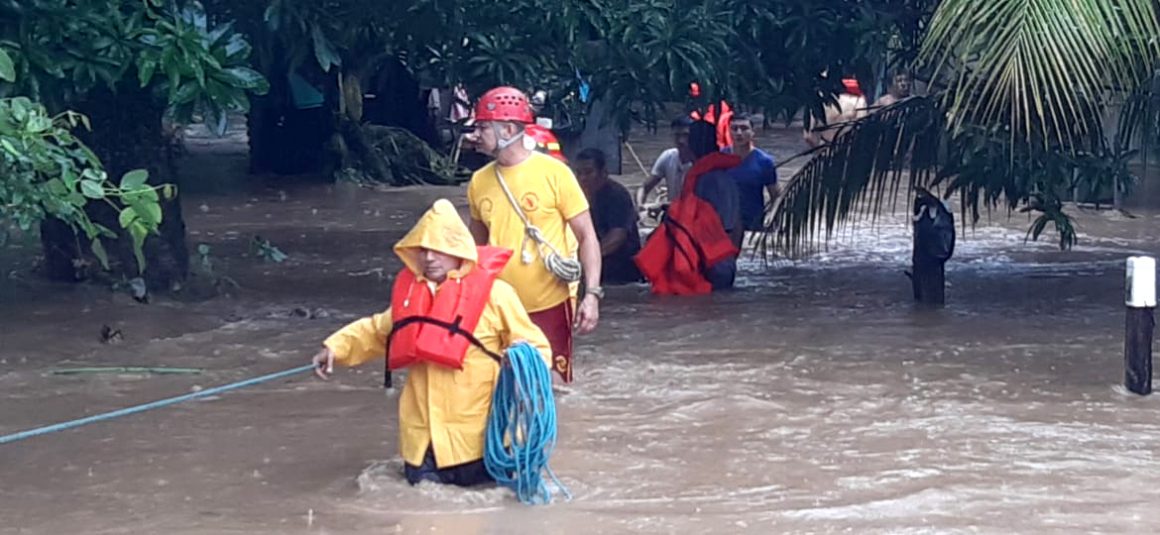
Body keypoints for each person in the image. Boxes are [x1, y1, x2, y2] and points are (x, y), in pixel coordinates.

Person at [311, 199, 552, 487]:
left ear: (458, 249)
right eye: (423, 250)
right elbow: (377, 331)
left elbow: (536, 346)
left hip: (480, 440)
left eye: (438, 249)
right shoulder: (412, 297)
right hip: (422, 443)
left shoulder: (497, 295)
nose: (429, 258)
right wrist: (335, 349)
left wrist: (523, 364)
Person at [466, 86, 602, 385]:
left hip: (550, 303)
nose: (475, 135)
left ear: (509, 129)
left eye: (483, 127)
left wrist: (591, 295)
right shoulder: (478, 182)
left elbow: (587, 237)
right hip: (499, 307)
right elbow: (475, 251)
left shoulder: (556, 174)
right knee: (502, 386)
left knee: (552, 387)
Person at [635, 120, 743, 294]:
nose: (682, 142)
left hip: (708, 264)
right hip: (722, 261)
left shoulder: (707, 180)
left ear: (693, 145)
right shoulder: (722, 177)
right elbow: (737, 225)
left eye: (687, 138)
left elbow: (696, 227)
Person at [573, 147, 643, 285]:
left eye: (588, 172)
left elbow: (617, 237)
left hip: (620, 270)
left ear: (603, 173)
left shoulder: (617, 195)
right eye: (579, 173)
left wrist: (587, 259)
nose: (583, 178)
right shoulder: (577, 196)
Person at [724, 112, 779, 233]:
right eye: (734, 129)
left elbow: (775, 196)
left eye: (744, 128)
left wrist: (772, 218)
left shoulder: (765, 162)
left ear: (753, 132)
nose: (739, 133)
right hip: (725, 225)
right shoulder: (719, 158)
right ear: (729, 132)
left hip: (754, 225)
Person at [636, 116, 695, 207]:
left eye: (685, 135)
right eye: (677, 135)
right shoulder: (668, 156)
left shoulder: (700, 163)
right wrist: (640, 206)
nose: (681, 140)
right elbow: (644, 188)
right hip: (672, 214)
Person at [804, 74, 868, 148]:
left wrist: (819, 147)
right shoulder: (859, 101)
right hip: (846, 149)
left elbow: (808, 135)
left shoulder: (818, 99)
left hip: (823, 147)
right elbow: (861, 130)